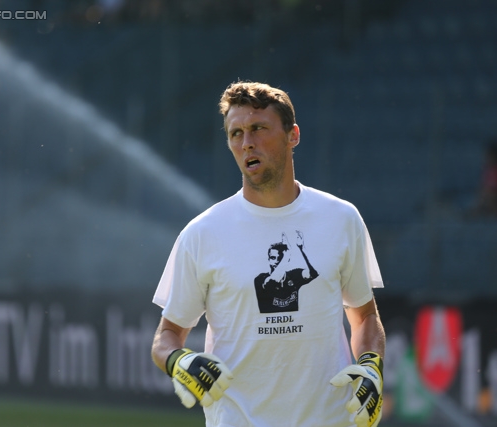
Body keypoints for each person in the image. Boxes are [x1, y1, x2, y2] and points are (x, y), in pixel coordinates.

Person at [151, 81, 386, 427]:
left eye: (258, 128)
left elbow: (365, 317)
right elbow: (165, 336)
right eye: (236, 133)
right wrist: (178, 361)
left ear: (293, 136)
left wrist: (371, 366)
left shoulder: (341, 219)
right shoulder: (202, 233)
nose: (247, 142)